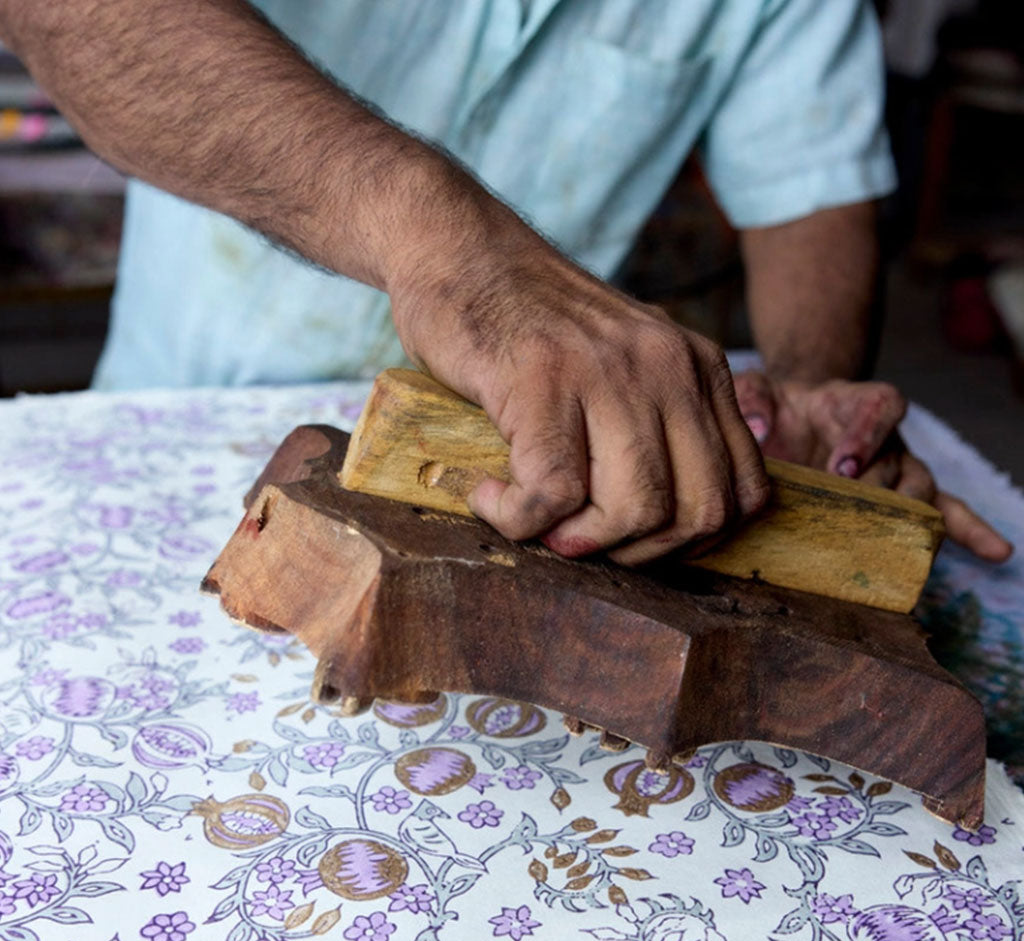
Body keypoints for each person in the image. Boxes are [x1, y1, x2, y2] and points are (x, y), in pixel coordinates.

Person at [0, 0, 1011, 564]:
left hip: (510, 490)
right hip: (175, 432)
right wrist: (450, 246)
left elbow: (811, 196)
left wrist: (801, 397)